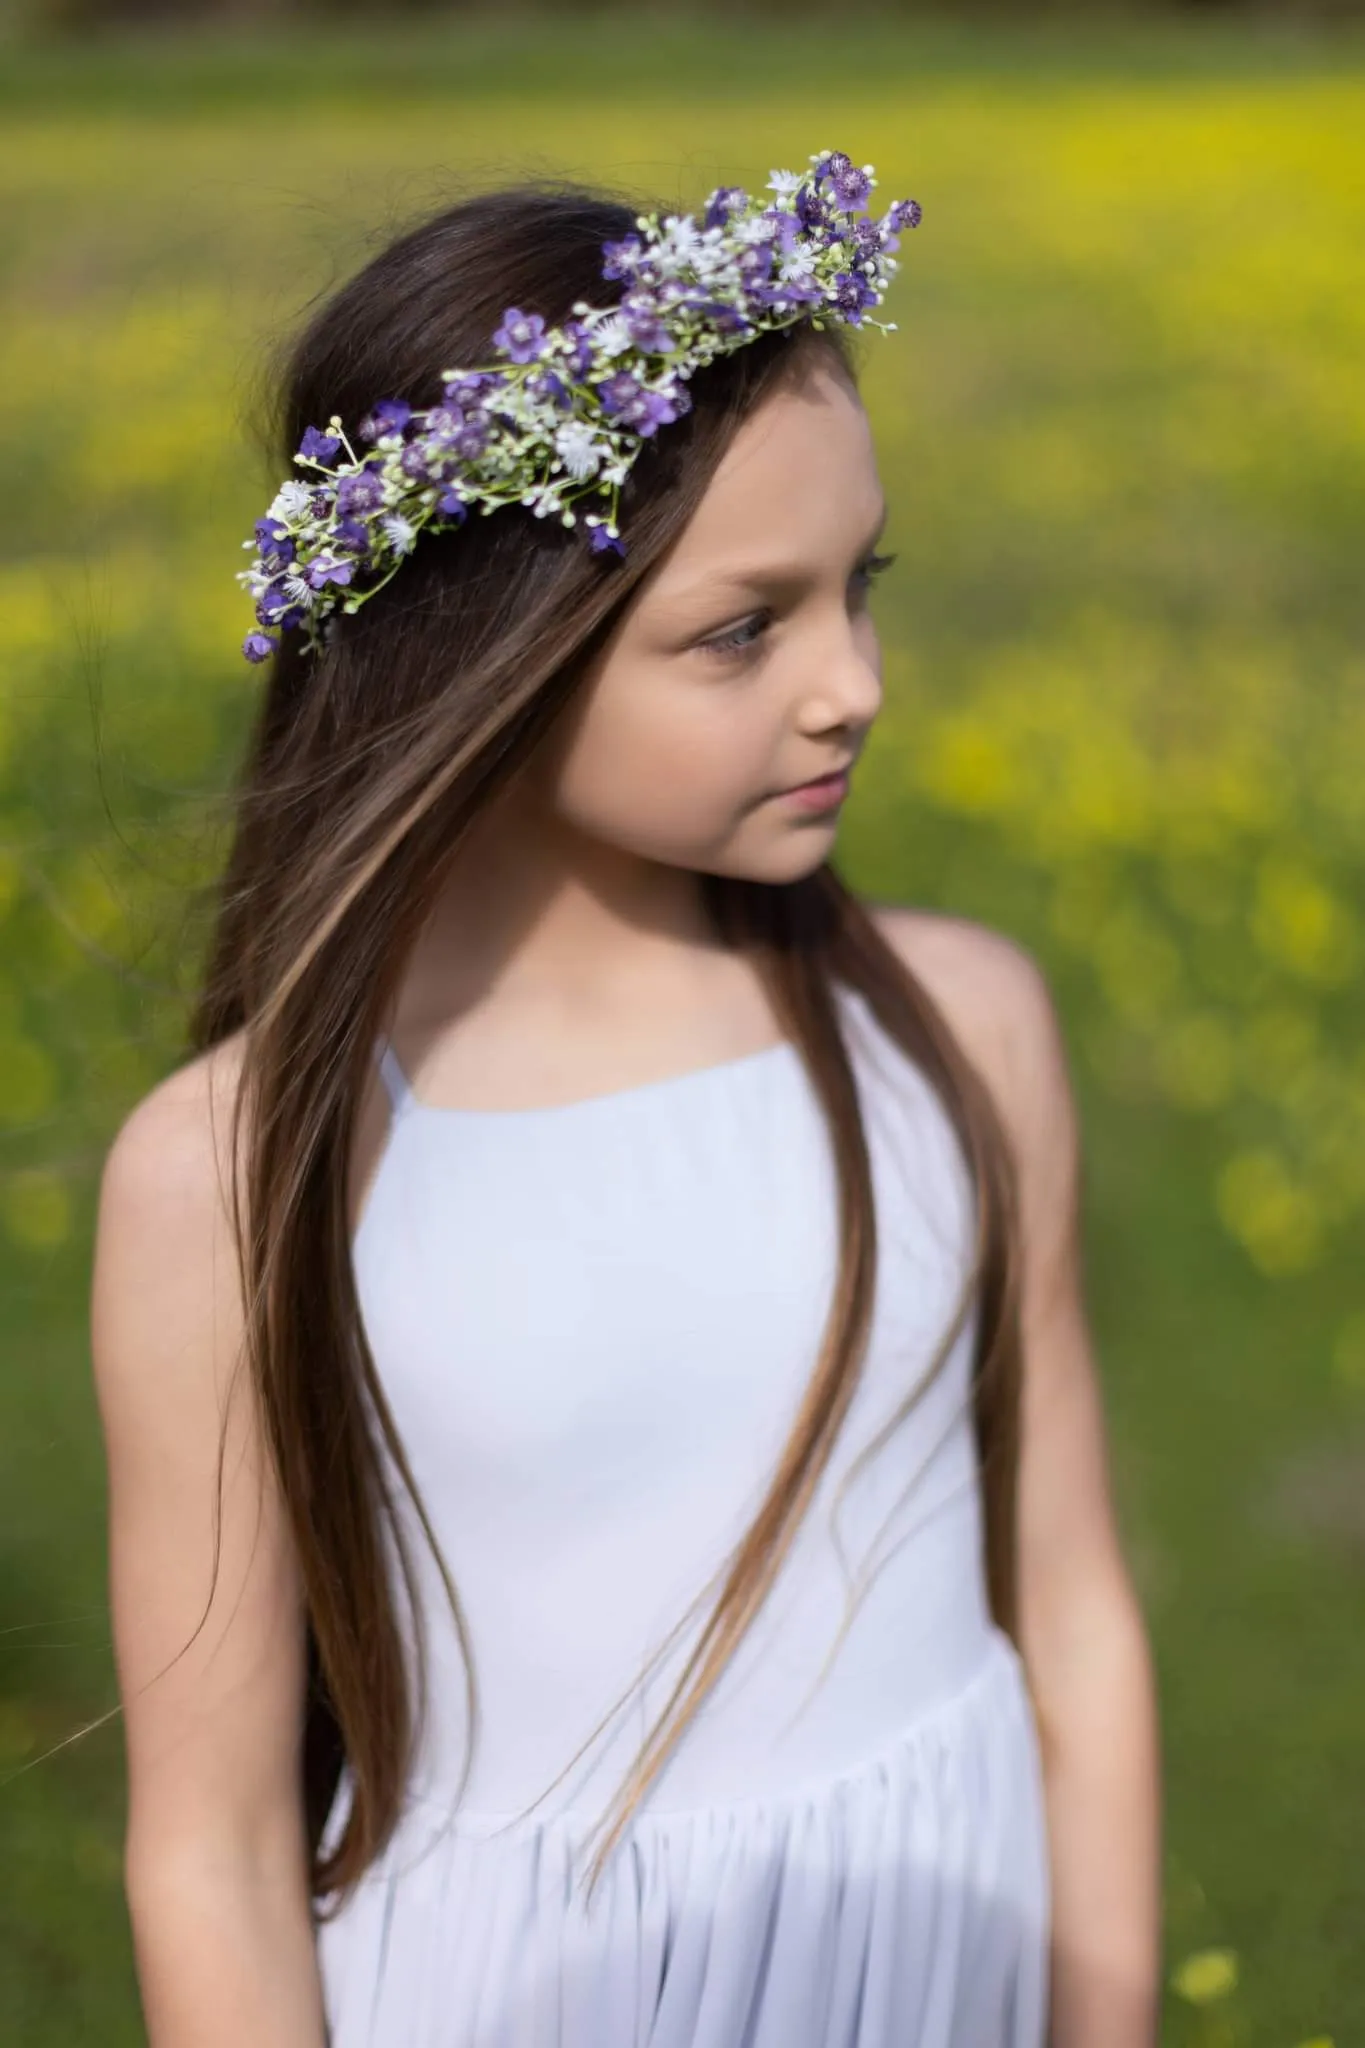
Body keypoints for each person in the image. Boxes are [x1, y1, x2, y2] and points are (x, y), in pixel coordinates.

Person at [89, 152, 1161, 2048]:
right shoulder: (242, 1175)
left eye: (861, 587)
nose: (855, 685)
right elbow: (215, 1849)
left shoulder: (956, 1032)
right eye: (743, 628)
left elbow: (1068, 1615)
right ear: (483, 651)